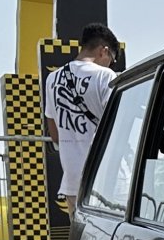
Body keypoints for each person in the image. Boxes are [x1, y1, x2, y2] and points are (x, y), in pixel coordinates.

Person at [44, 23, 119, 205]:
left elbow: (54, 134)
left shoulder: (52, 78)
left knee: (78, 225)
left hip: (73, 183)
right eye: (112, 59)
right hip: (108, 182)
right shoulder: (106, 76)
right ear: (104, 51)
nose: (110, 64)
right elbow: (117, 128)